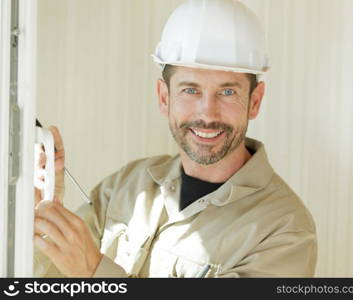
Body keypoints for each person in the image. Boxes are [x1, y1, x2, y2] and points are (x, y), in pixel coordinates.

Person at [34, 0, 317, 277]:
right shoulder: (126, 186)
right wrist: (41, 218)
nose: (207, 113)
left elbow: (85, 271)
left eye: (227, 92)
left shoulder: (284, 230)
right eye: (190, 90)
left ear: (255, 101)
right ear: (164, 97)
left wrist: (95, 272)